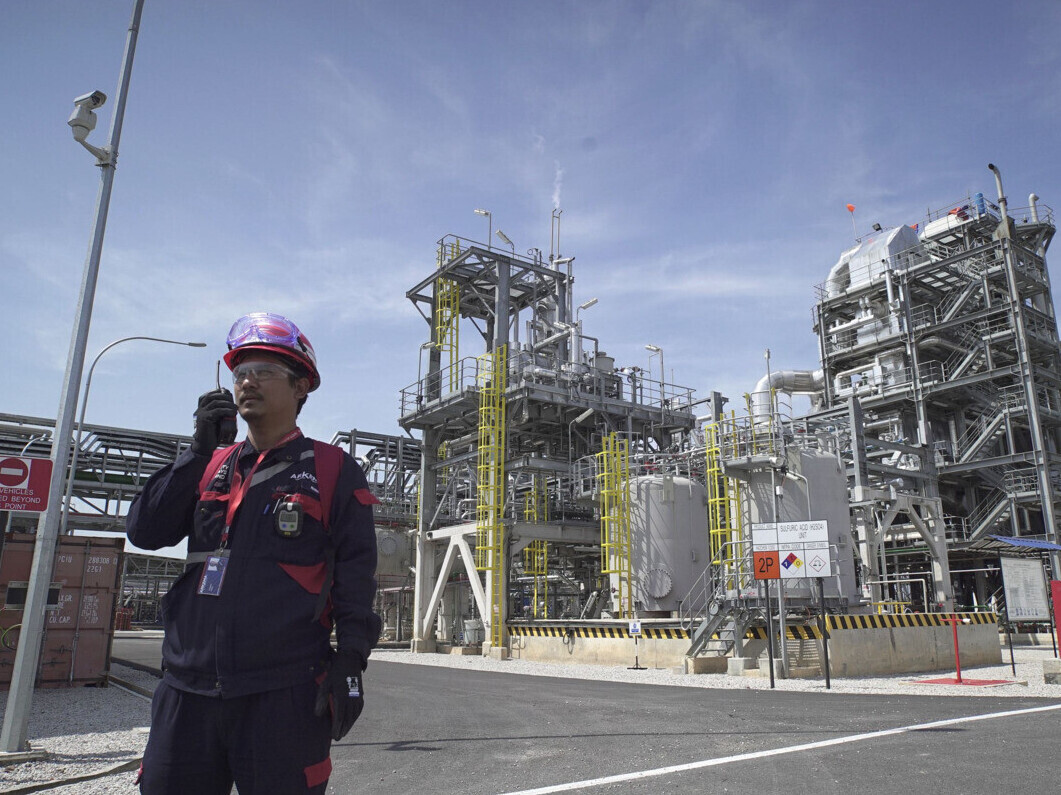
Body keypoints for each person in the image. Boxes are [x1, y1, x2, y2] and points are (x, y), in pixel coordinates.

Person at [127, 312, 382, 795]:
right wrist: (196, 452)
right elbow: (144, 531)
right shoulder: (209, 466)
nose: (247, 382)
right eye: (240, 372)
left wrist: (350, 663)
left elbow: (356, 578)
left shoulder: (333, 471)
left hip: (282, 695)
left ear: (301, 386)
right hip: (187, 690)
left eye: (264, 371)